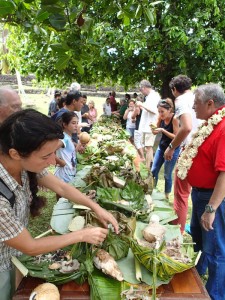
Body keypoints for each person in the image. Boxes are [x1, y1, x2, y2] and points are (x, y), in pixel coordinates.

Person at [0, 109, 119, 300]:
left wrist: (97, 208)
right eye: (46, 156)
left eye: (54, 152)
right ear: (15, 153)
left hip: (13, 256)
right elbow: (30, 246)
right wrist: (82, 235)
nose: (53, 161)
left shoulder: (25, 164)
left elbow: (62, 188)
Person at [177, 83, 225, 300]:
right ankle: (199, 276)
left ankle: (215, 295)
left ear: (210, 103)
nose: (193, 108)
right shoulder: (210, 124)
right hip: (200, 193)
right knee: (200, 240)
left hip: (212, 198)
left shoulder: (223, 128)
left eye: (196, 104)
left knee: (216, 250)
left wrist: (211, 208)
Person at [164, 75, 200, 233]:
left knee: (181, 193)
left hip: (191, 150)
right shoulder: (196, 96)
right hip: (202, 147)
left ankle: (177, 231)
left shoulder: (180, 101)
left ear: (174, 90)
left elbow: (186, 127)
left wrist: (171, 147)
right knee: (197, 193)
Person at [151, 99, 180, 199]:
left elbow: (176, 136)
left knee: (167, 175)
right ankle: (152, 192)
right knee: (153, 170)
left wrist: (163, 130)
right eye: (159, 111)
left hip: (173, 149)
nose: (160, 114)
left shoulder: (175, 119)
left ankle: (166, 195)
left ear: (169, 110)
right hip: (161, 148)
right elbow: (155, 131)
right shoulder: (160, 117)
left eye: (162, 111)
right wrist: (153, 128)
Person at [136, 79, 160, 168]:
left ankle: (148, 167)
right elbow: (147, 110)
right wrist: (140, 106)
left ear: (145, 87)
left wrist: (141, 104)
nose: (141, 92)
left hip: (151, 125)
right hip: (146, 125)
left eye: (141, 90)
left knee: (148, 147)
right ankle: (151, 165)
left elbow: (154, 110)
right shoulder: (149, 96)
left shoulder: (154, 96)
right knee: (147, 147)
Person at [54, 111, 79, 183]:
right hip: (64, 174)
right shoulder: (64, 138)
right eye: (73, 123)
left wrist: (77, 145)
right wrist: (60, 162)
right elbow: (49, 150)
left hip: (68, 174)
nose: (76, 125)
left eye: (77, 123)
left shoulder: (67, 137)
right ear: (65, 124)